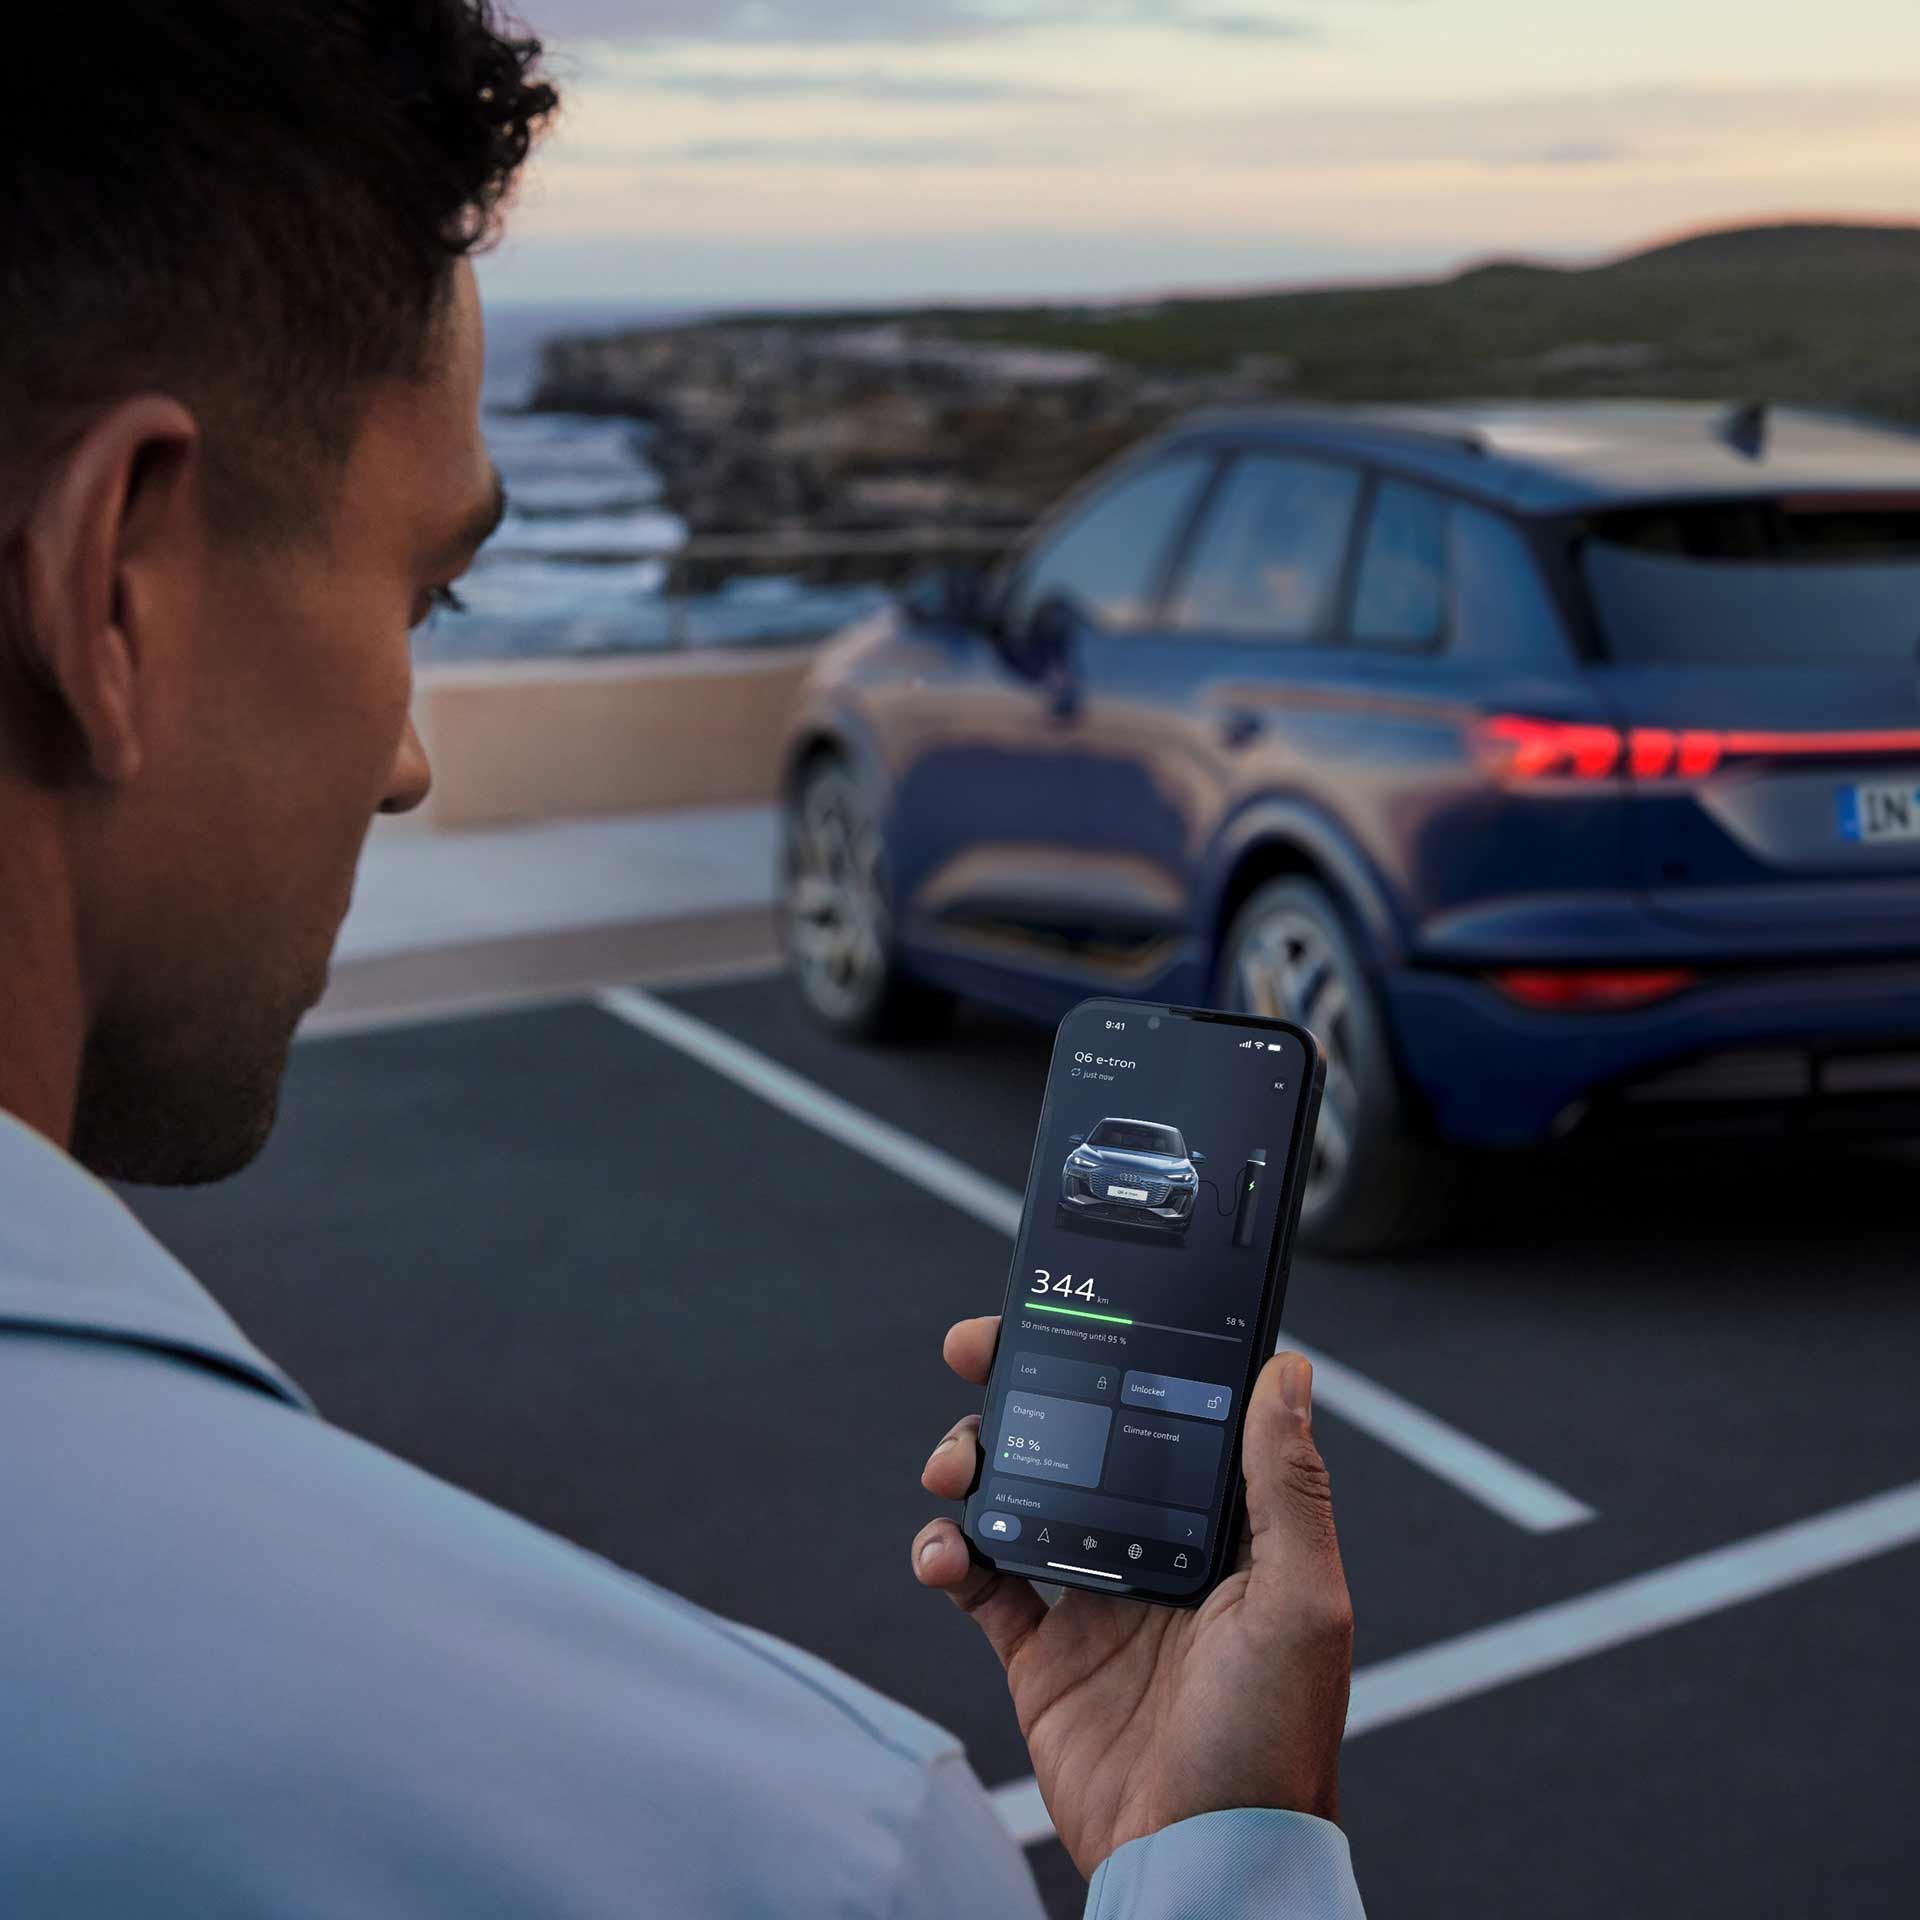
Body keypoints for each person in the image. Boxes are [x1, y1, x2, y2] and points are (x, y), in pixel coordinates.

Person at [0, 6, 1367, 1915]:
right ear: (113, 587)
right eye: (425, 592)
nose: (408, 760)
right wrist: (1210, 1856)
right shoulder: (775, 1845)